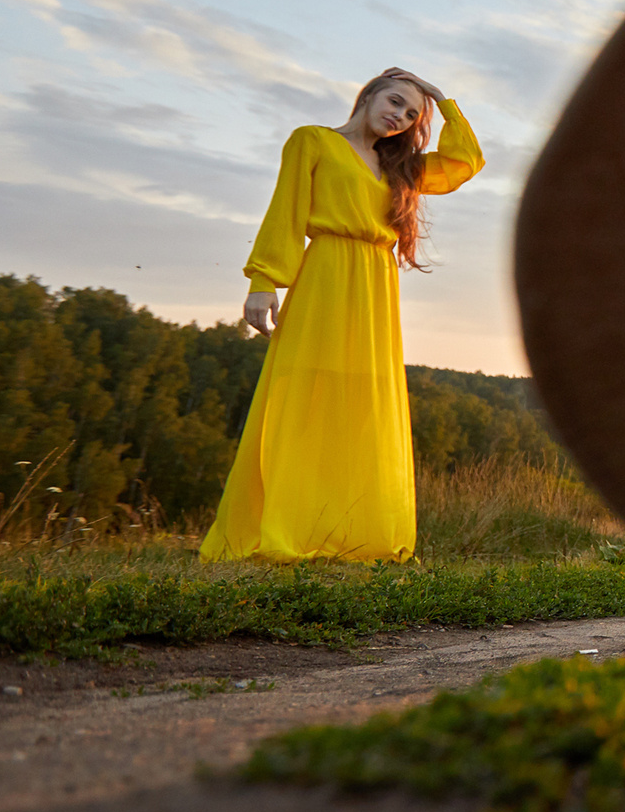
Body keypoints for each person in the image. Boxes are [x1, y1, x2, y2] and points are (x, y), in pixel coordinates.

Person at [200, 69, 484, 562]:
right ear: (370, 94)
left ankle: (352, 533)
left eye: (412, 114)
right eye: (395, 101)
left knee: (362, 408)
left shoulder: (400, 168)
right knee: (305, 403)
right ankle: (285, 527)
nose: (400, 116)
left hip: (375, 286)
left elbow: (464, 162)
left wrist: (443, 101)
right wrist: (263, 281)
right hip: (325, 275)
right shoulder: (313, 142)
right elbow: (284, 211)